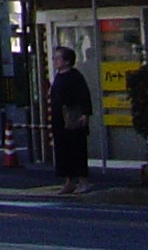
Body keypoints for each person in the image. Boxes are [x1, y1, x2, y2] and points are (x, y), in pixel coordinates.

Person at [50, 46, 93, 193]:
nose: (55, 61)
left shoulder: (75, 76)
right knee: (63, 149)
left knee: (77, 149)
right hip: (59, 118)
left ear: (67, 61)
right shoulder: (58, 76)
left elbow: (84, 96)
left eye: (58, 58)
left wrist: (85, 113)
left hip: (74, 117)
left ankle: (83, 181)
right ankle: (69, 181)